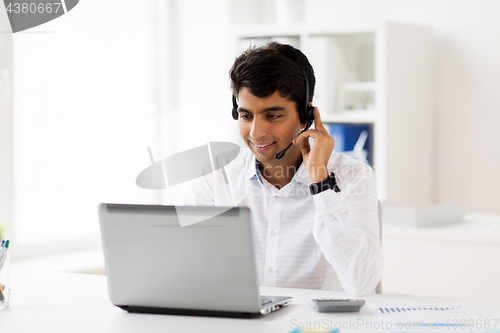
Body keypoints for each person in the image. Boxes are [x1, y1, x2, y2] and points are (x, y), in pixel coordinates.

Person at [184, 42, 382, 296]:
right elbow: (184, 267)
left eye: (273, 116)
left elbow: (362, 283)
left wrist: (321, 183)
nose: (256, 132)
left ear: (305, 116)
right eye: (246, 116)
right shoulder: (216, 176)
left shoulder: (353, 176)